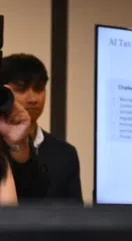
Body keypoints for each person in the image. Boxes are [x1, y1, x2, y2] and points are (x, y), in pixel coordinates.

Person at [1, 53, 82, 201]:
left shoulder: (65, 154)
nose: (33, 99)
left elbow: (75, 216)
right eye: (21, 89)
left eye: (39, 89)